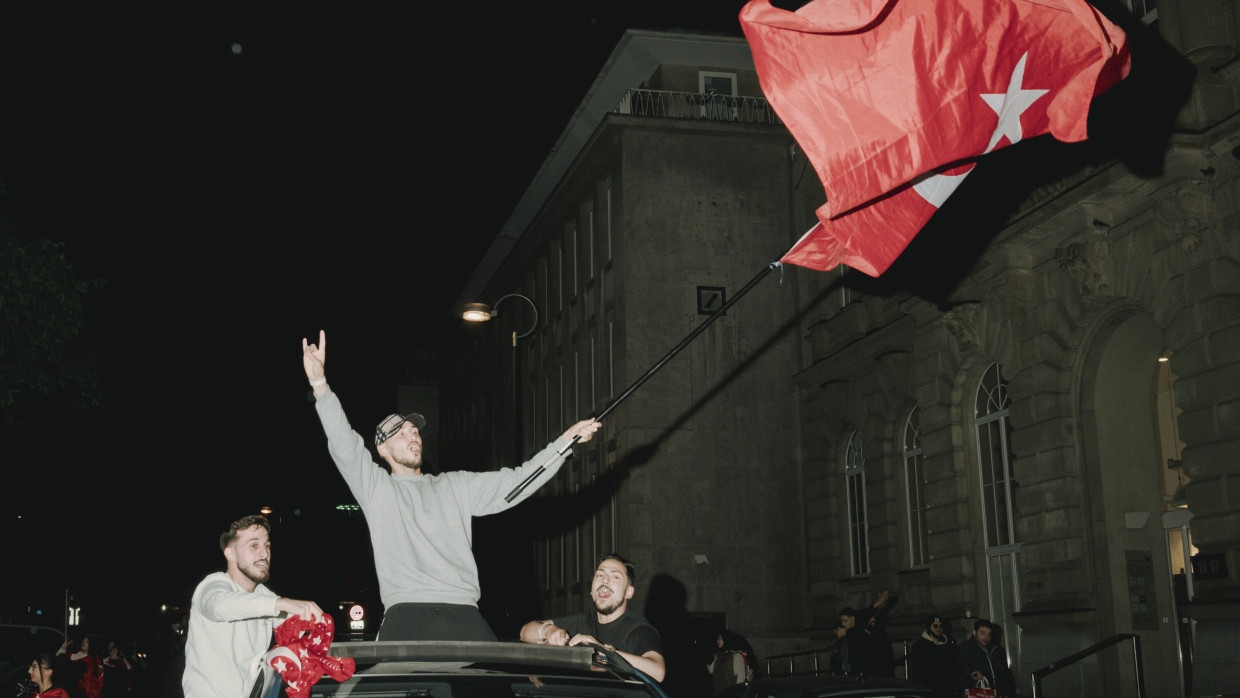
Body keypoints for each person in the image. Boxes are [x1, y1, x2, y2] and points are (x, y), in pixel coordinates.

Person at [301, 329, 602, 641]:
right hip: (407, 610)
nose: (412, 434)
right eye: (400, 433)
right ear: (382, 450)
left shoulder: (455, 486)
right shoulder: (377, 488)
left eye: (414, 430)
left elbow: (516, 482)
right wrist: (320, 385)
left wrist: (564, 444)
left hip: (463, 611)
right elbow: (344, 445)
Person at [182, 514, 324, 698]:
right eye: (254, 545)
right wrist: (283, 603)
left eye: (267, 546)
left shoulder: (262, 594)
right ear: (230, 553)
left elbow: (295, 624)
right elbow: (218, 606)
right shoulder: (213, 585)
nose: (264, 553)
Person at [518, 554, 665, 682]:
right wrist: (548, 631)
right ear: (591, 590)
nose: (604, 581)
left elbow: (658, 671)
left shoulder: (639, 630)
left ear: (629, 592)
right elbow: (525, 632)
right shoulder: (581, 622)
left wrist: (601, 650)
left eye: (615, 576)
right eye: (599, 575)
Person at [837, 589, 893, 677]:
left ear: (852, 618)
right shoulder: (853, 631)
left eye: (845, 621)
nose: (843, 624)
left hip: (873, 671)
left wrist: (876, 605)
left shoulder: (869, 629)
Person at [956, 619, 1015, 698]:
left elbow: (1001, 672)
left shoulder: (994, 649)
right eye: (983, 633)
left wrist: (1004, 690)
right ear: (974, 632)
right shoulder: (965, 648)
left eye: (989, 634)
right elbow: (961, 666)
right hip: (974, 692)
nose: (986, 637)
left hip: (992, 692)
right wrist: (973, 673)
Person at [908, 615, 958, 697]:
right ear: (928, 628)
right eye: (935, 626)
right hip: (927, 691)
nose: (939, 629)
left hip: (945, 691)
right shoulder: (919, 646)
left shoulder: (948, 645)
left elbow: (952, 668)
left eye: (941, 626)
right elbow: (917, 672)